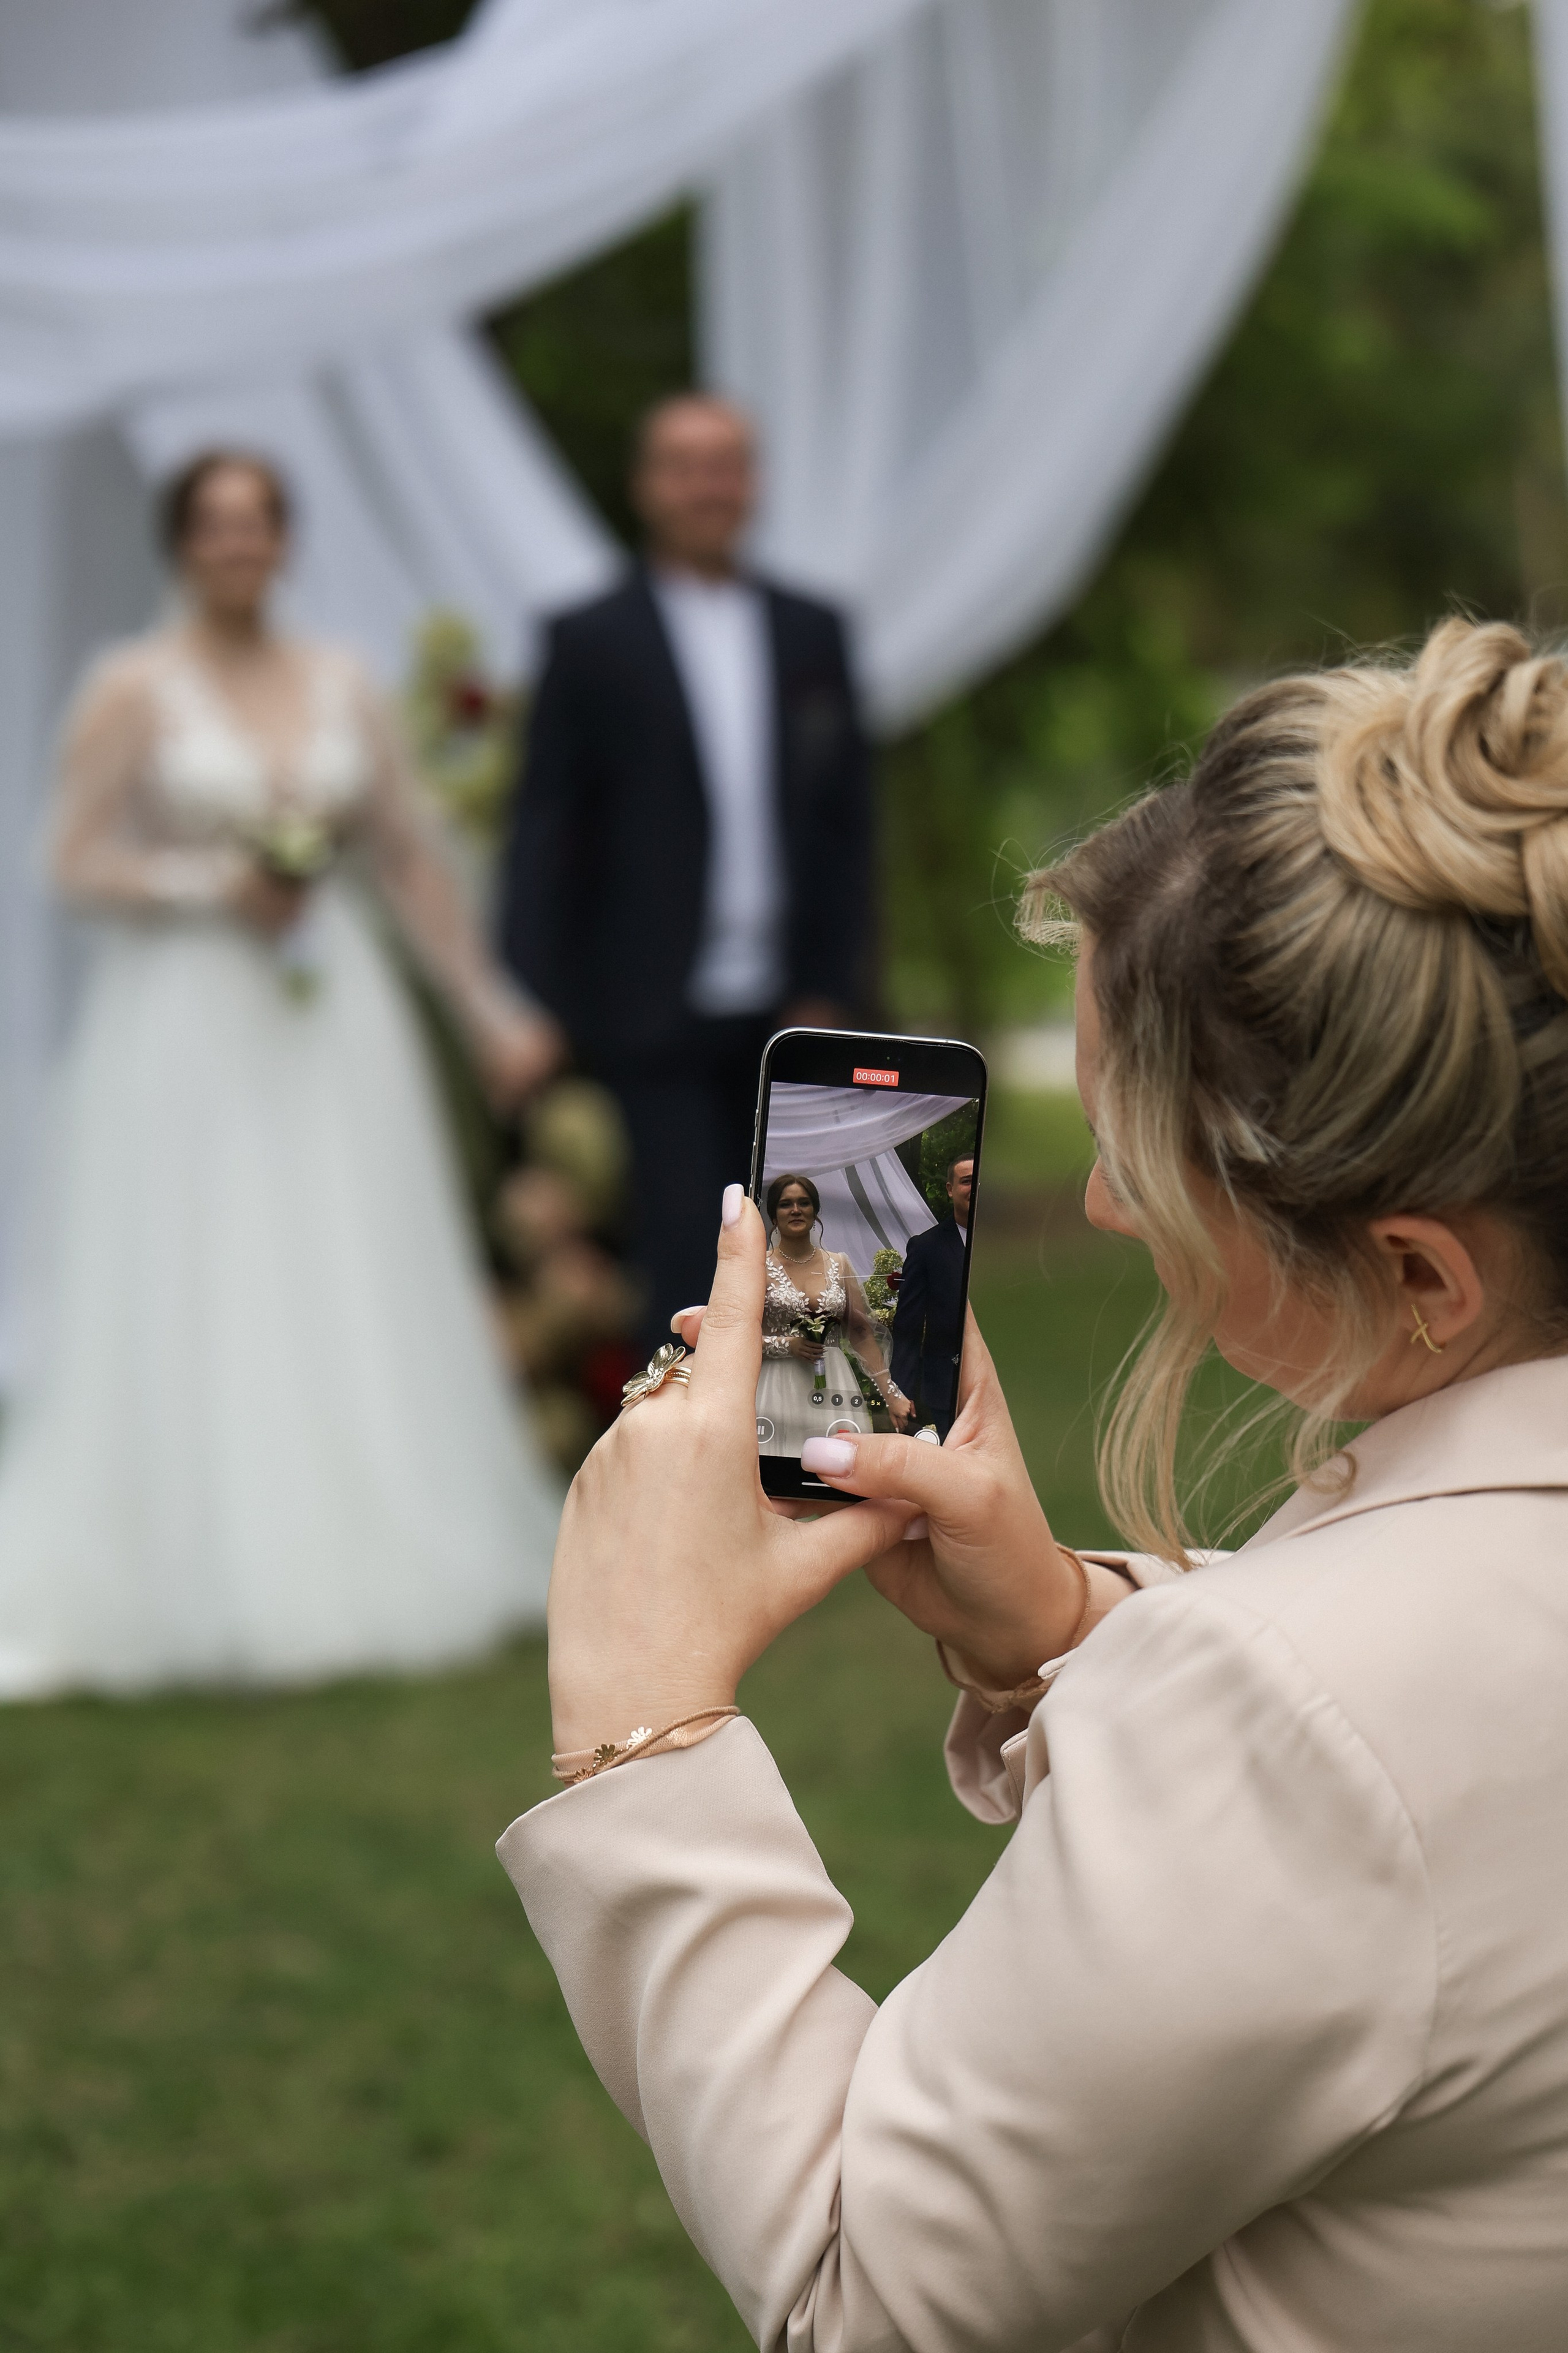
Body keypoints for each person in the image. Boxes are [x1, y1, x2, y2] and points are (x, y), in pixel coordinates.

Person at [502, 619, 1568, 2349]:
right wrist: (1067, 1627)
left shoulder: (1298, 1721)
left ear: (1419, 1274)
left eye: (1140, 1153)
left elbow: (867, 2294)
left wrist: (642, 1728)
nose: (1102, 1206)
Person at [0, 450, 564, 1698]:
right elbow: (68, 858)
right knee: (211, 1267)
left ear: (285, 541)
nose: (238, 545)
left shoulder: (341, 680)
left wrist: (487, 1009)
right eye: (215, 525)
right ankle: (205, 1560)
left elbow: (407, 858)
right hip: (188, 1016)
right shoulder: (132, 687)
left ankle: (373, 1537)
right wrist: (212, 884)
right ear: (181, 543)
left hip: (332, 1013)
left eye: (257, 523)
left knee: (348, 1256)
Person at [497, 394, 873, 1353]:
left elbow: (846, 824)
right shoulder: (589, 638)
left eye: (727, 464)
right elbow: (546, 828)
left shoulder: (813, 632)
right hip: (648, 1011)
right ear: (645, 485)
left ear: (752, 482)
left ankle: (796, 1439)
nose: (708, 487)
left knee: (807, 1260)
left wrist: (833, 980)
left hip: (790, 1009)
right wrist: (536, 1000)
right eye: (685, 465)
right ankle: (675, 1439)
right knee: (678, 1256)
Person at [756, 1173, 908, 1456]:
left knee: (836, 1463)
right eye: (786, 1204)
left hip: (832, 1383)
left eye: (804, 1203)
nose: (796, 1210)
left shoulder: (839, 1264)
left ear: (815, 1212)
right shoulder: (757, 1266)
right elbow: (738, 1334)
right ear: (774, 1216)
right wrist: (787, 1345)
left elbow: (861, 1333)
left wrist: (891, 1393)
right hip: (777, 1384)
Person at [889, 1152, 973, 1437]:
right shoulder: (926, 1247)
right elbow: (908, 1324)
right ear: (950, 1189)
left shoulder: (1012, 1244)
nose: (974, 1188)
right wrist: (900, 1389)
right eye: (967, 1181)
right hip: (947, 1385)